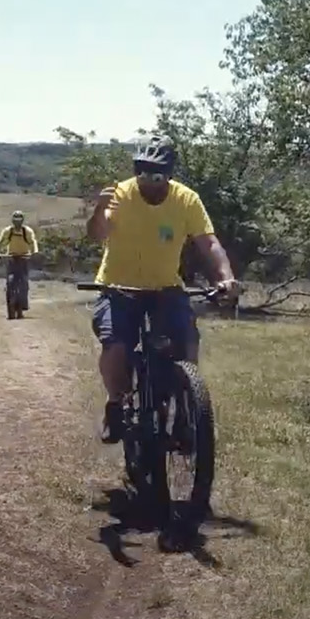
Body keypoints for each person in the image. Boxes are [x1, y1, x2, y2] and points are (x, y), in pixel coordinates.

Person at [85, 135, 241, 443]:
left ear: (169, 174)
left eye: (156, 175)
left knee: (186, 342)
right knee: (115, 345)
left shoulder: (186, 200)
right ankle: (117, 404)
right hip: (118, 287)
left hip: (166, 288)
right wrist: (99, 210)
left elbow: (208, 242)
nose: (148, 182)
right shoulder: (120, 195)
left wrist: (226, 278)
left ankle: (186, 407)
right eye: (141, 173)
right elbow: (96, 234)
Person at [0, 210, 39, 317]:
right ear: (13, 221)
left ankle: (23, 304)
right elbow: (0, 242)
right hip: (11, 257)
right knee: (10, 280)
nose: (17, 223)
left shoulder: (27, 231)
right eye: (15, 221)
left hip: (24, 258)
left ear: (22, 221)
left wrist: (35, 251)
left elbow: (33, 242)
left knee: (24, 281)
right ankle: (10, 301)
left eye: (19, 221)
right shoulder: (8, 231)